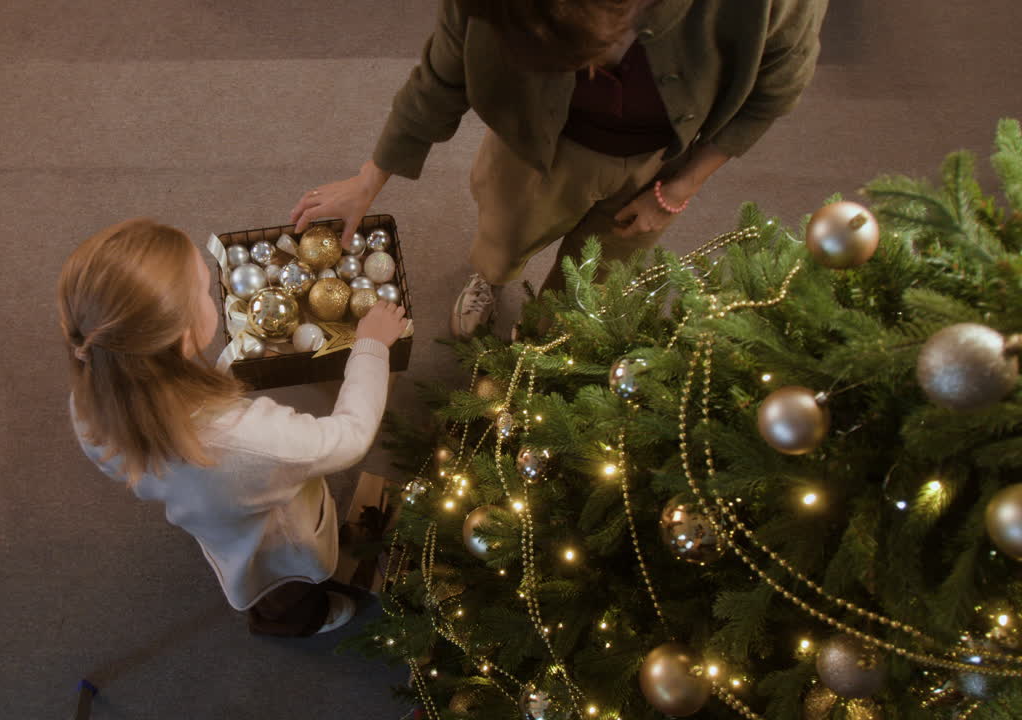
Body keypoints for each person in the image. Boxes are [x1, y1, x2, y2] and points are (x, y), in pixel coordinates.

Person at [289, 0, 827, 339]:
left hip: (659, 164)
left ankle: (544, 339)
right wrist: (369, 178)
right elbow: (443, 71)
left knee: (599, 277)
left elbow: (773, 91)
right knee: (504, 233)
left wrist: (680, 189)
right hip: (530, 144)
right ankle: (492, 281)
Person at [57, 218, 409, 637]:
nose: (215, 295)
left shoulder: (92, 395)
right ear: (184, 337)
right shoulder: (248, 440)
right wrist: (370, 346)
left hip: (207, 517)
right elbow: (348, 438)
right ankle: (297, 621)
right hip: (273, 539)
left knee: (259, 574)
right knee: (285, 589)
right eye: (206, 292)